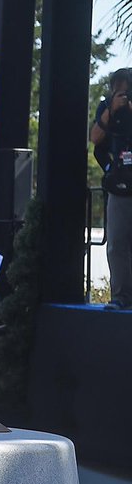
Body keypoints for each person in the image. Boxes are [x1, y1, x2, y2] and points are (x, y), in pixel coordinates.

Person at [92, 67, 132, 308]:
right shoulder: (106, 107)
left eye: (125, 89)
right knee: (116, 243)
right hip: (119, 185)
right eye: (116, 89)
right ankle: (120, 296)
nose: (121, 94)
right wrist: (110, 110)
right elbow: (95, 138)